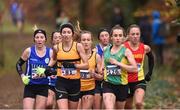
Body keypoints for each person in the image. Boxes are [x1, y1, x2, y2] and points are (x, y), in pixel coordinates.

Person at [45, 23, 88, 109]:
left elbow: (86, 65)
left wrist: (73, 66)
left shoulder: (78, 46)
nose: (66, 34)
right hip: (61, 82)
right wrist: (48, 67)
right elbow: (53, 59)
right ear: (61, 34)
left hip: (75, 83)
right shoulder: (56, 47)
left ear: (72, 34)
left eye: (68, 32)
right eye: (64, 32)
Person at [103, 25, 138, 109]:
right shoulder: (105, 50)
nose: (118, 38)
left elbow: (135, 68)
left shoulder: (126, 52)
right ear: (111, 37)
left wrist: (118, 63)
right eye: (115, 36)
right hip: (108, 84)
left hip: (121, 86)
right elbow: (102, 64)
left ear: (123, 38)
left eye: (120, 36)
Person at [16, 29, 52, 109]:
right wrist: (23, 76)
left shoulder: (50, 52)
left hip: (43, 86)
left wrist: (46, 71)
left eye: (42, 37)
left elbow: (55, 69)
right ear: (34, 39)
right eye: (37, 37)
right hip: (30, 86)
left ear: (45, 39)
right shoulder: (29, 51)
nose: (39, 39)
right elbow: (18, 64)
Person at [124, 24, 154, 109]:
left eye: (137, 34)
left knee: (138, 103)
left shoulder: (145, 48)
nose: (135, 36)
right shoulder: (123, 47)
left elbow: (151, 58)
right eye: (133, 34)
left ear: (140, 35)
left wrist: (149, 72)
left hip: (139, 80)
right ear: (128, 35)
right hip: (125, 81)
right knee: (128, 107)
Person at [78, 30, 103, 109]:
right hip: (76, 89)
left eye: (88, 40)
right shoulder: (75, 55)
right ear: (80, 42)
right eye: (84, 40)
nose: (86, 42)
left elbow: (101, 77)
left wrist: (94, 74)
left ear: (91, 41)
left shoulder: (96, 56)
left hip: (89, 89)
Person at [93, 28, 110, 109]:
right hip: (97, 81)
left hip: (110, 81)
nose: (104, 37)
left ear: (109, 37)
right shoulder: (95, 50)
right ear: (99, 38)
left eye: (106, 35)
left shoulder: (114, 48)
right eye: (102, 36)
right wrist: (98, 70)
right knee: (96, 106)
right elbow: (91, 65)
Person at [46, 31, 62, 109]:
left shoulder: (68, 52)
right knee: (48, 104)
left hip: (62, 83)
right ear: (52, 40)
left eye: (60, 37)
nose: (58, 39)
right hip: (50, 83)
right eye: (55, 38)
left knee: (59, 106)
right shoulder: (47, 52)